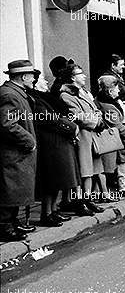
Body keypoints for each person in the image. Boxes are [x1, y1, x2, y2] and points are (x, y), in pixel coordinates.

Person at [28, 70, 77, 227]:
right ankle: (47, 213)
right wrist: (70, 127)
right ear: (36, 83)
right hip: (49, 144)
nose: (46, 83)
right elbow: (49, 119)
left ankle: (53, 210)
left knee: (56, 181)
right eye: (43, 80)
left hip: (56, 142)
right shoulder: (36, 99)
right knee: (50, 182)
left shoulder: (44, 97)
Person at [0, 60, 39, 241]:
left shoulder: (15, 92)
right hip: (13, 153)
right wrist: (29, 140)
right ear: (24, 77)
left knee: (16, 190)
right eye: (31, 76)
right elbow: (7, 124)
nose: (33, 79)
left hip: (17, 153)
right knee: (11, 190)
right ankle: (5, 226)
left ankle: (13, 222)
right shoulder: (10, 94)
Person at [59, 63, 105, 215]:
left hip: (92, 136)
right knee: (83, 171)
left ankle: (88, 199)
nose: (84, 76)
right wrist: (95, 121)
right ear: (72, 77)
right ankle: (80, 202)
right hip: (82, 136)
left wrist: (98, 118)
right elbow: (77, 115)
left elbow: (95, 109)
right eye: (80, 73)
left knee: (92, 170)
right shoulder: (66, 95)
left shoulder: (84, 92)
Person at [94, 75, 125, 199]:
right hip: (114, 142)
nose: (119, 91)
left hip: (114, 141)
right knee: (114, 168)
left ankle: (115, 190)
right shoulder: (108, 106)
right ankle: (117, 191)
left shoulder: (105, 101)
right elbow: (117, 124)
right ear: (110, 91)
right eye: (116, 88)